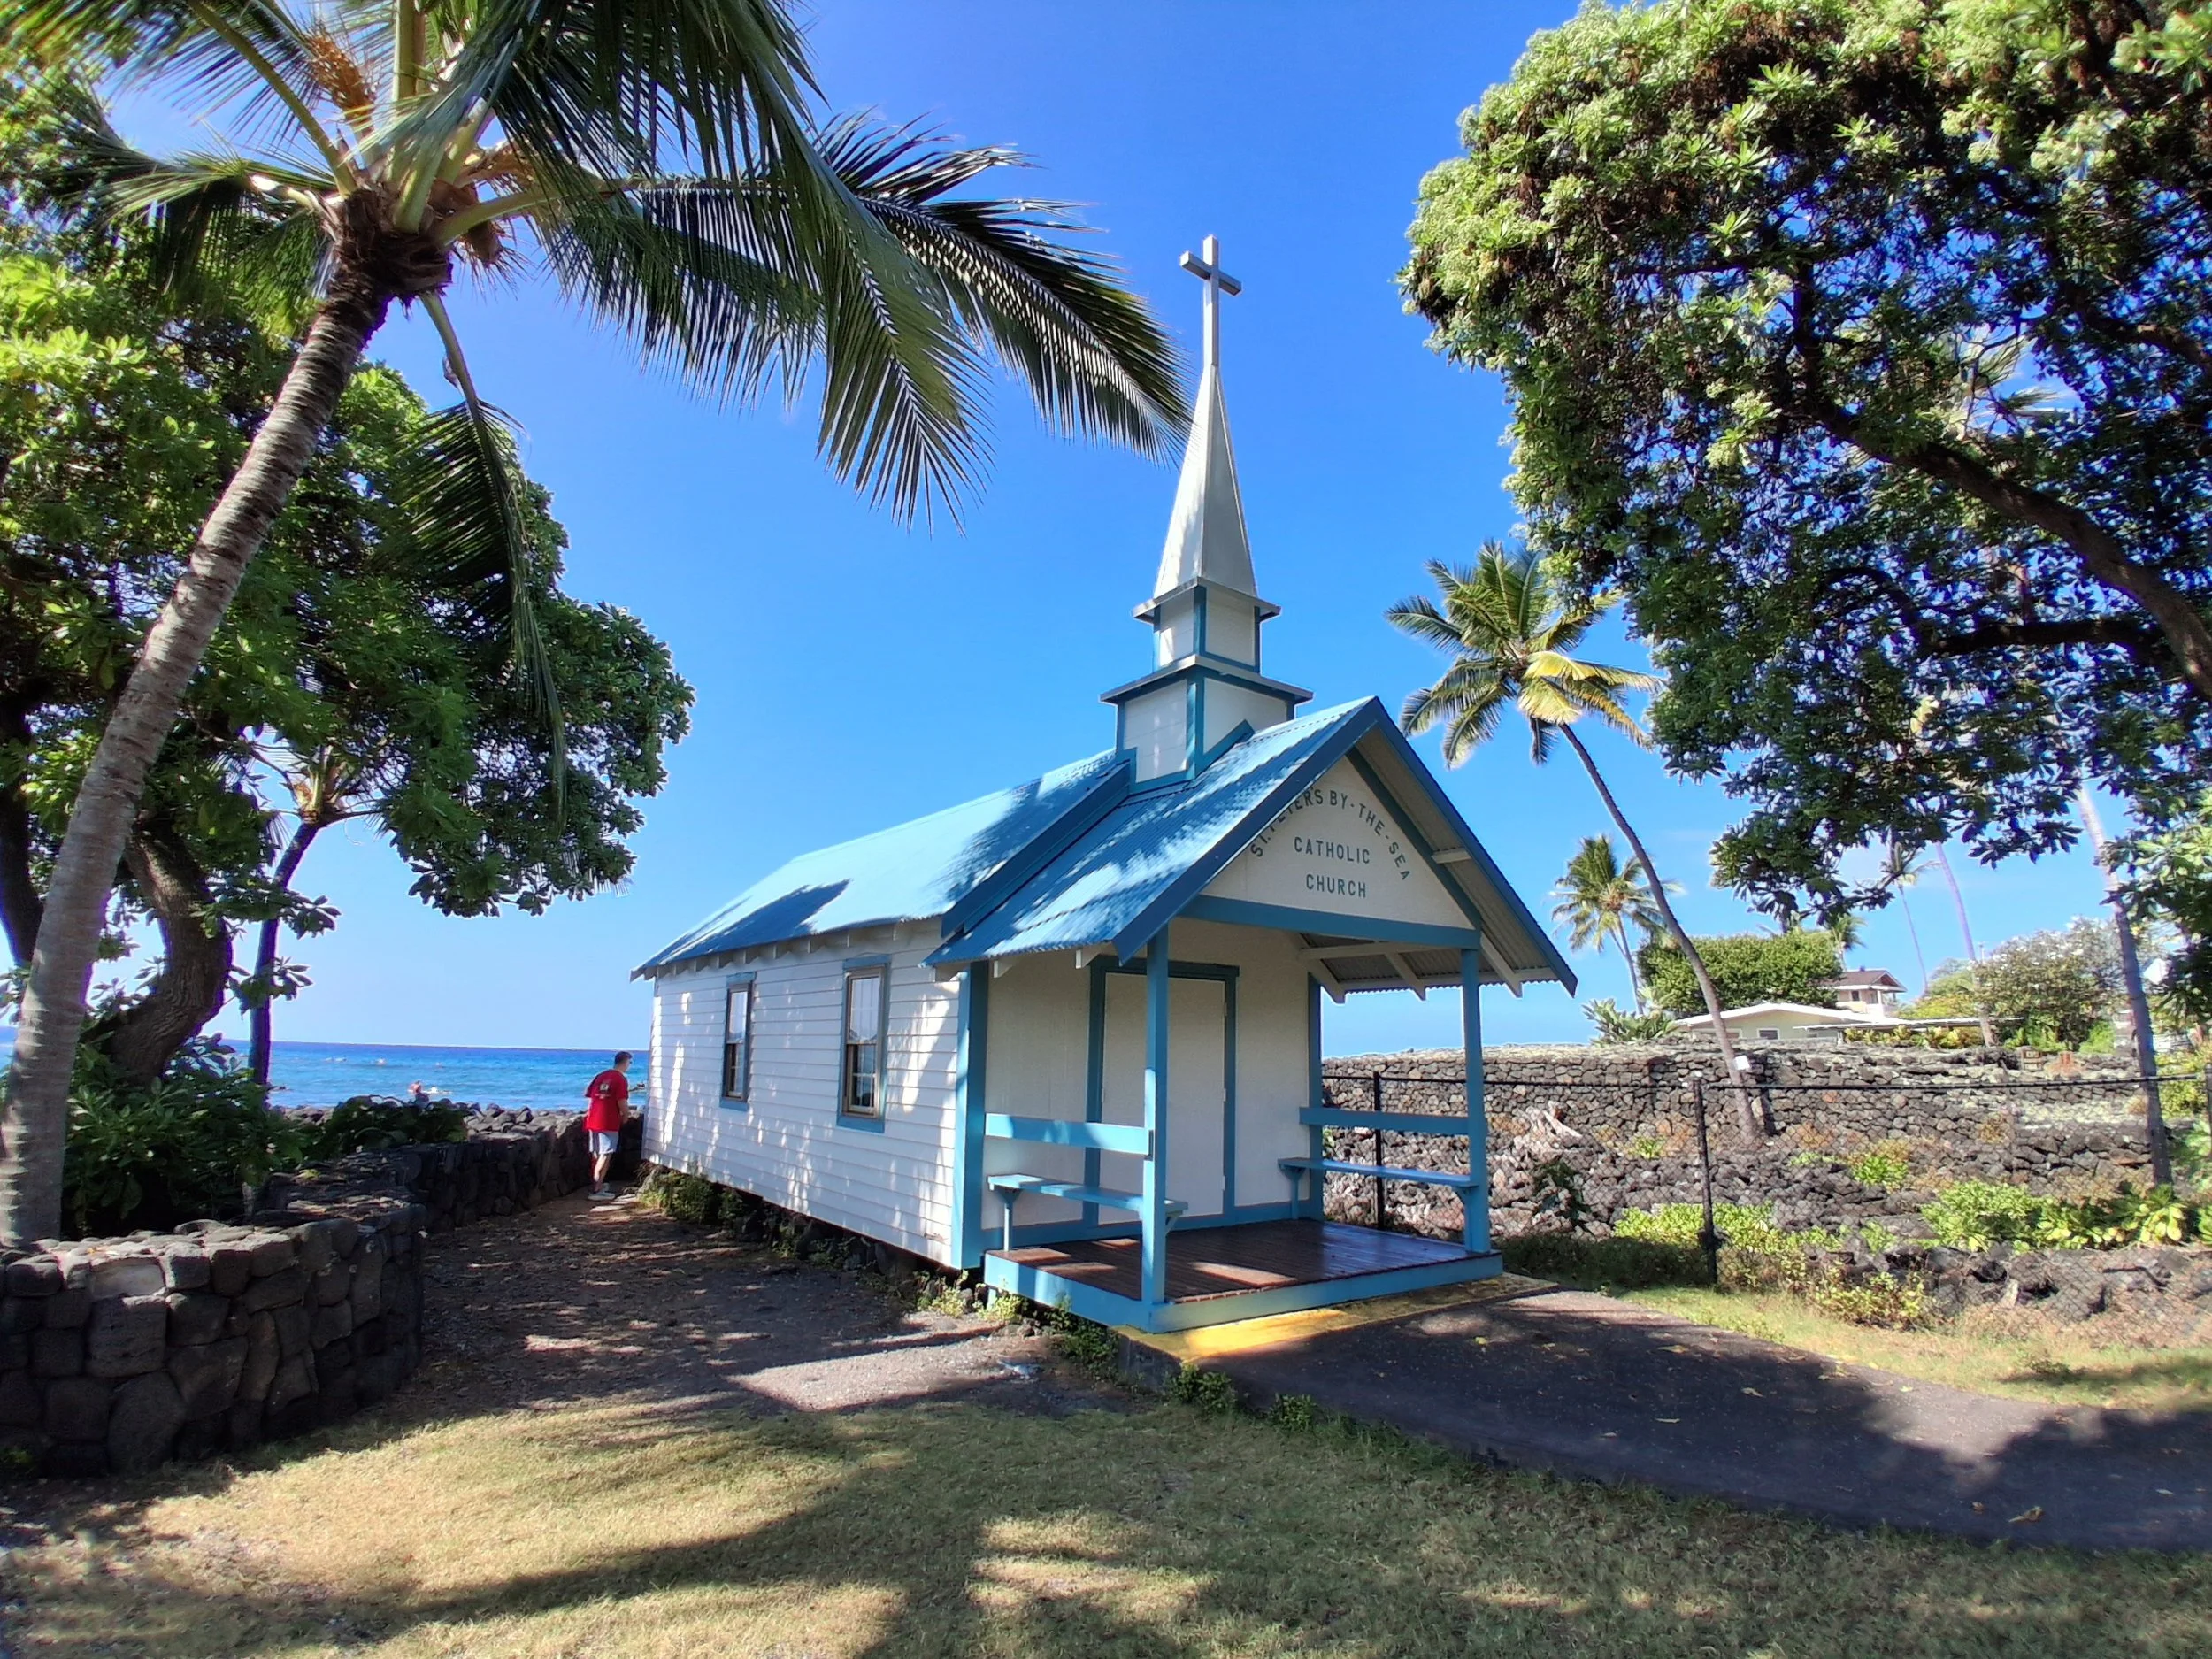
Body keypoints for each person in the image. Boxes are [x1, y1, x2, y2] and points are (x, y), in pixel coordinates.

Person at [584, 1051, 632, 1198]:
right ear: (625, 1062)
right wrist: (626, 1115)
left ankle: (597, 1183)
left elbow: (589, 1095)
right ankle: (597, 1189)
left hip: (593, 1119)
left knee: (597, 1153)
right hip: (608, 1121)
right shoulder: (620, 1079)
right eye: (630, 1063)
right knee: (606, 1155)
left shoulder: (601, 1076)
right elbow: (621, 1101)